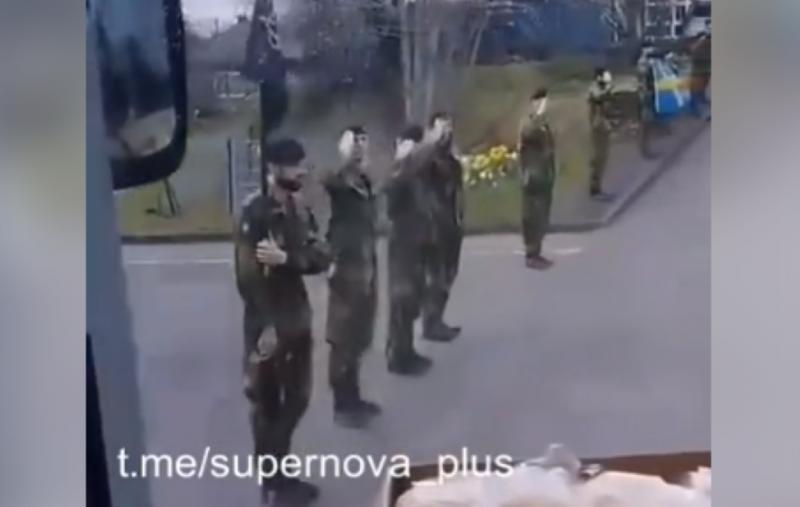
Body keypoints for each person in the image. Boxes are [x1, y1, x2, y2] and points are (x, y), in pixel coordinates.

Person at [234, 138, 331, 506]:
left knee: (298, 398)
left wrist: (287, 259)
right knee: (267, 403)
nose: (301, 171)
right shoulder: (256, 213)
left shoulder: (299, 207)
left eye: (302, 164)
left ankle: (276, 471)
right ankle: (274, 480)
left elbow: (321, 254)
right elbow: (248, 276)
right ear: (272, 168)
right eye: (294, 165)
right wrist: (268, 327)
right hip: (269, 327)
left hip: (297, 320)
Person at [323, 126, 381, 429]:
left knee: (359, 335)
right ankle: (342, 404)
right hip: (345, 265)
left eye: (363, 141)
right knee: (343, 336)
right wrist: (331, 258)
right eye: (353, 141)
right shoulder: (337, 183)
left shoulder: (364, 182)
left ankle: (354, 396)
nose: (360, 147)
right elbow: (326, 203)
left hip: (365, 264)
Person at [383, 125, 442, 376]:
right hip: (402, 245)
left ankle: (407, 351)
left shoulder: (415, 174)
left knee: (412, 300)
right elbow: (391, 197)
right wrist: (404, 158)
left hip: (417, 243)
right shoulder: (398, 172)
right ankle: (398, 356)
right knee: (402, 299)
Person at [419, 112, 464, 342]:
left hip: (451, 224)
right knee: (435, 275)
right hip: (434, 225)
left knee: (449, 273)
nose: (446, 133)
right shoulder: (425, 160)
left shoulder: (451, 160)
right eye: (441, 129)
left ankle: (437, 318)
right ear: (431, 131)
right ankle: (430, 322)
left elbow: (457, 191)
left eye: (449, 128)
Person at [518, 88, 557, 270]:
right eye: (541, 102)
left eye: (545, 103)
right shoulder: (528, 122)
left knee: (542, 214)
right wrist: (539, 117)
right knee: (532, 215)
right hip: (532, 176)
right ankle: (531, 254)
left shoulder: (543, 123)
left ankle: (537, 251)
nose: (544, 106)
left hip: (543, 174)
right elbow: (528, 134)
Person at [587, 67, 615, 201]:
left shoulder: (601, 88)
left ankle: (597, 187)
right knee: (599, 158)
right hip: (597, 127)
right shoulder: (594, 88)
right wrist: (608, 89)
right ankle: (594, 189)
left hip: (603, 126)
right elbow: (598, 97)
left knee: (603, 158)